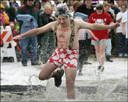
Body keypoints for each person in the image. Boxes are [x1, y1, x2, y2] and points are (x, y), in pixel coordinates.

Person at [13, 3, 119, 99]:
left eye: (63, 19)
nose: (61, 21)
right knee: (42, 76)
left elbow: (93, 26)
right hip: (58, 53)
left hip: (72, 54)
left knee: (69, 81)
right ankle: (56, 74)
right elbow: (38, 30)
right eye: (59, 19)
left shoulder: (76, 23)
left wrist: (109, 26)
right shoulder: (54, 24)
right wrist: (22, 35)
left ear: (67, 17)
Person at [88, 3, 114, 71]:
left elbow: (111, 22)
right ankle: (99, 63)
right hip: (95, 35)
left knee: (102, 49)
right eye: (97, 9)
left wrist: (109, 28)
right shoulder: (92, 15)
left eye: (100, 9)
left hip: (104, 35)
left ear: (103, 9)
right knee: (97, 50)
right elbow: (88, 24)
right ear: (95, 9)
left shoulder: (106, 15)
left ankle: (102, 64)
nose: (99, 10)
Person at [16, 0, 42, 66]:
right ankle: (24, 61)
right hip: (25, 29)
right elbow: (17, 18)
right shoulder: (22, 9)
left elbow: (39, 19)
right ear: (26, 1)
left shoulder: (36, 9)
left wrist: (41, 29)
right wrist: (27, 19)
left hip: (34, 29)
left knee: (34, 45)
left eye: (32, 1)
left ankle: (34, 61)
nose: (31, 2)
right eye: (29, 1)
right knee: (24, 46)